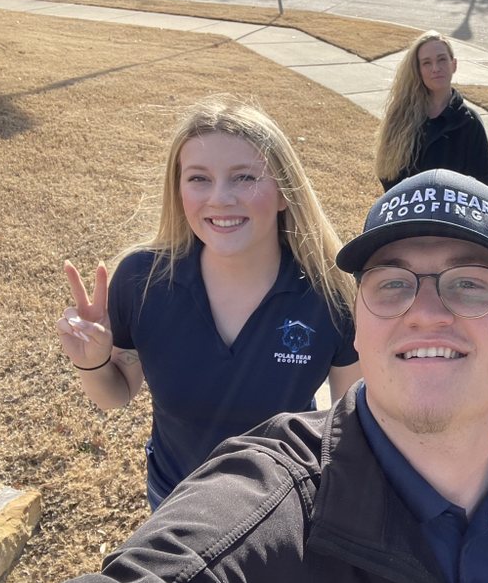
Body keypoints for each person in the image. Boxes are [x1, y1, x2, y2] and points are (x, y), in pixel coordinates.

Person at [0, 170, 488, 583]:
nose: (426, 311)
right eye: (392, 282)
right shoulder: (264, 517)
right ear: (360, 326)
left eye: (470, 284)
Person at [56, 95, 361, 509]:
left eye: (244, 177)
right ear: (178, 188)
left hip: (279, 511)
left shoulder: (331, 294)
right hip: (173, 503)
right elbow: (117, 393)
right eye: (199, 178)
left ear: (284, 193)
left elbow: (348, 426)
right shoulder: (143, 280)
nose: (220, 198)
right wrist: (91, 362)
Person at [374, 30, 488, 191]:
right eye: (427, 63)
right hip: (408, 213)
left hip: (451, 215)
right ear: (419, 70)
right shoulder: (400, 116)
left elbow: (483, 184)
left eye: (442, 59)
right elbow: (387, 173)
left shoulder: (469, 123)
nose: (435, 68)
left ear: (454, 65)